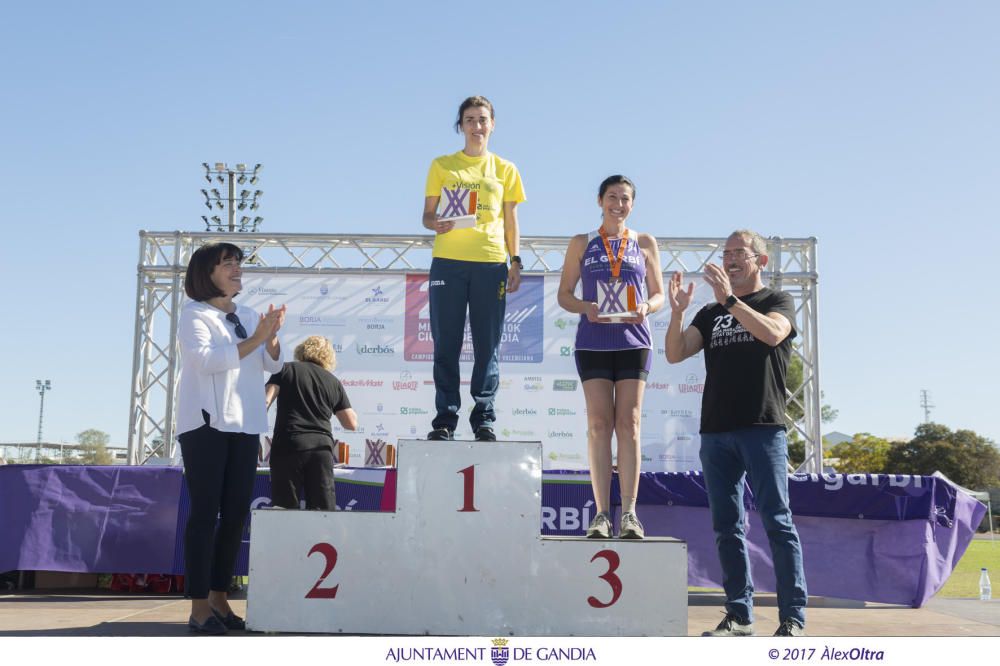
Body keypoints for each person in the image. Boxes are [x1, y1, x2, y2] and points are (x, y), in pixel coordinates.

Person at [665, 229, 807, 637]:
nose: (729, 259)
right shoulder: (710, 314)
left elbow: (773, 333)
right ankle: (740, 615)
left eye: (739, 253)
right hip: (716, 432)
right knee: (727, 527)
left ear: (760, 261)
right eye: (725, 253)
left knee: (777, 522)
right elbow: (675, 353)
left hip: (762, 428)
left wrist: (731, 300)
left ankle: (793, 618)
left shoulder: (777, 301)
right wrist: (677, 312)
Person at [176, 242, 286, 635]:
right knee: (206, 514)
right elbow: (207, 362)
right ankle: (199, 606)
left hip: (245, 424)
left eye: (238, 262)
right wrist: (258, 337)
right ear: (207, 273)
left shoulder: (249, 314)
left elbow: (272, 363)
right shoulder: (195, 315)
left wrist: (270, 337)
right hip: (205, 426)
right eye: (228, 263)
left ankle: (221, 596)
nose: (237, 268)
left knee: (237, 513)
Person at [556, 175, 664, 539]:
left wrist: (647, 307)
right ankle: (602, 514)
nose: (619, 204)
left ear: (633, 204)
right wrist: (585, 306)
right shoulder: (581, 243)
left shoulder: (644, 242)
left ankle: (630, 513)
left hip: (634, 340)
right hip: (593, 340)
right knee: (599, 425)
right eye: (612, 197)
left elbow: (659, 294)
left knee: (629, 423)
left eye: (626, 198)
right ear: (600, 200)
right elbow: (564, 295)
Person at [422, 95, 525, 442]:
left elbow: (511, 220)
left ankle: (484, 418)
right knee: (445, 344)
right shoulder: (442, 165)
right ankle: (445, 419)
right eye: (470, 119)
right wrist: (435, 223)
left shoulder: (506, 169)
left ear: (492, 124)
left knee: (488, 345)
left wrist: (516, 260)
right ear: (460, 125)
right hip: (448, 263)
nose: (477, 126)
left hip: (491, 262)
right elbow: (426, 215)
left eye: (482, 119)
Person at [265, 335, 358, 510]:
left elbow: (265, 401)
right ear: (328, 357)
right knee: (322, 511)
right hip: (320, 449)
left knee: (284, 509)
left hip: (289, 443)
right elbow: (351, 423)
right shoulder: (333, 381)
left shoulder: (284, 369)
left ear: (301, 350)